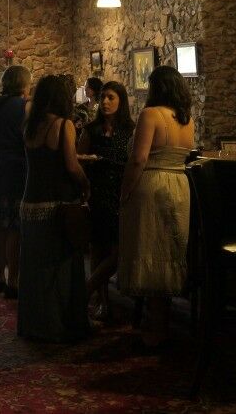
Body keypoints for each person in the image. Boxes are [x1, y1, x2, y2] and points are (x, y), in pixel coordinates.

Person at [118, 65, 194, 347]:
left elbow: (138, 159)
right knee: (169, 251)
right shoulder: (186, 119)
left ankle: (156, 328)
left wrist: (125, 191)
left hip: (152, 185)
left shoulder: (151, 115)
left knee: (150, 248)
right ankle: (160, 325)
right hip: (179, 185)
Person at [18, 74, 91, 342]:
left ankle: (34, 324)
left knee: (33, 268)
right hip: (55, 204)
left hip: (29, 204)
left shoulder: (30, 125)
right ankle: (59, 325)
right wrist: (85, 183)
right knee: (58, 268)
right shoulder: (63, 125)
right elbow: (71, 165)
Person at [78, 81, 135, 320]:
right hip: (98, 192)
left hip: (121, 192)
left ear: (121, 100)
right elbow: (78, 158)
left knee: (119, 250)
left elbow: (133, 160)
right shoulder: (91, 130)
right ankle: (102, 300)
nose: (105, 102)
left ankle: (87, 289)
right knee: (98, 247)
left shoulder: (130, 129)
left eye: (111, 97)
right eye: (102, 98)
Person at [0, 65, 31, 299]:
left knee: (0, 227)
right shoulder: (25, 107)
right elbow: (29, 140)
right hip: (17, 169)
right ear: (25, 83)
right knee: (15, 228)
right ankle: (14, 280)